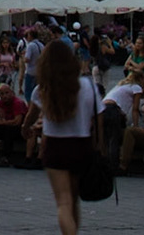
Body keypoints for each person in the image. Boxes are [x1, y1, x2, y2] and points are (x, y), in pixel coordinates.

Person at [35, 39, 103, 235]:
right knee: (74, 200)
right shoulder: (87, 86)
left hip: (55, 147)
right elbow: (99, 117)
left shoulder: (44, 89)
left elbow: (38, 119)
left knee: (62, 202)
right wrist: (99, 145)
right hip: (81, 145)